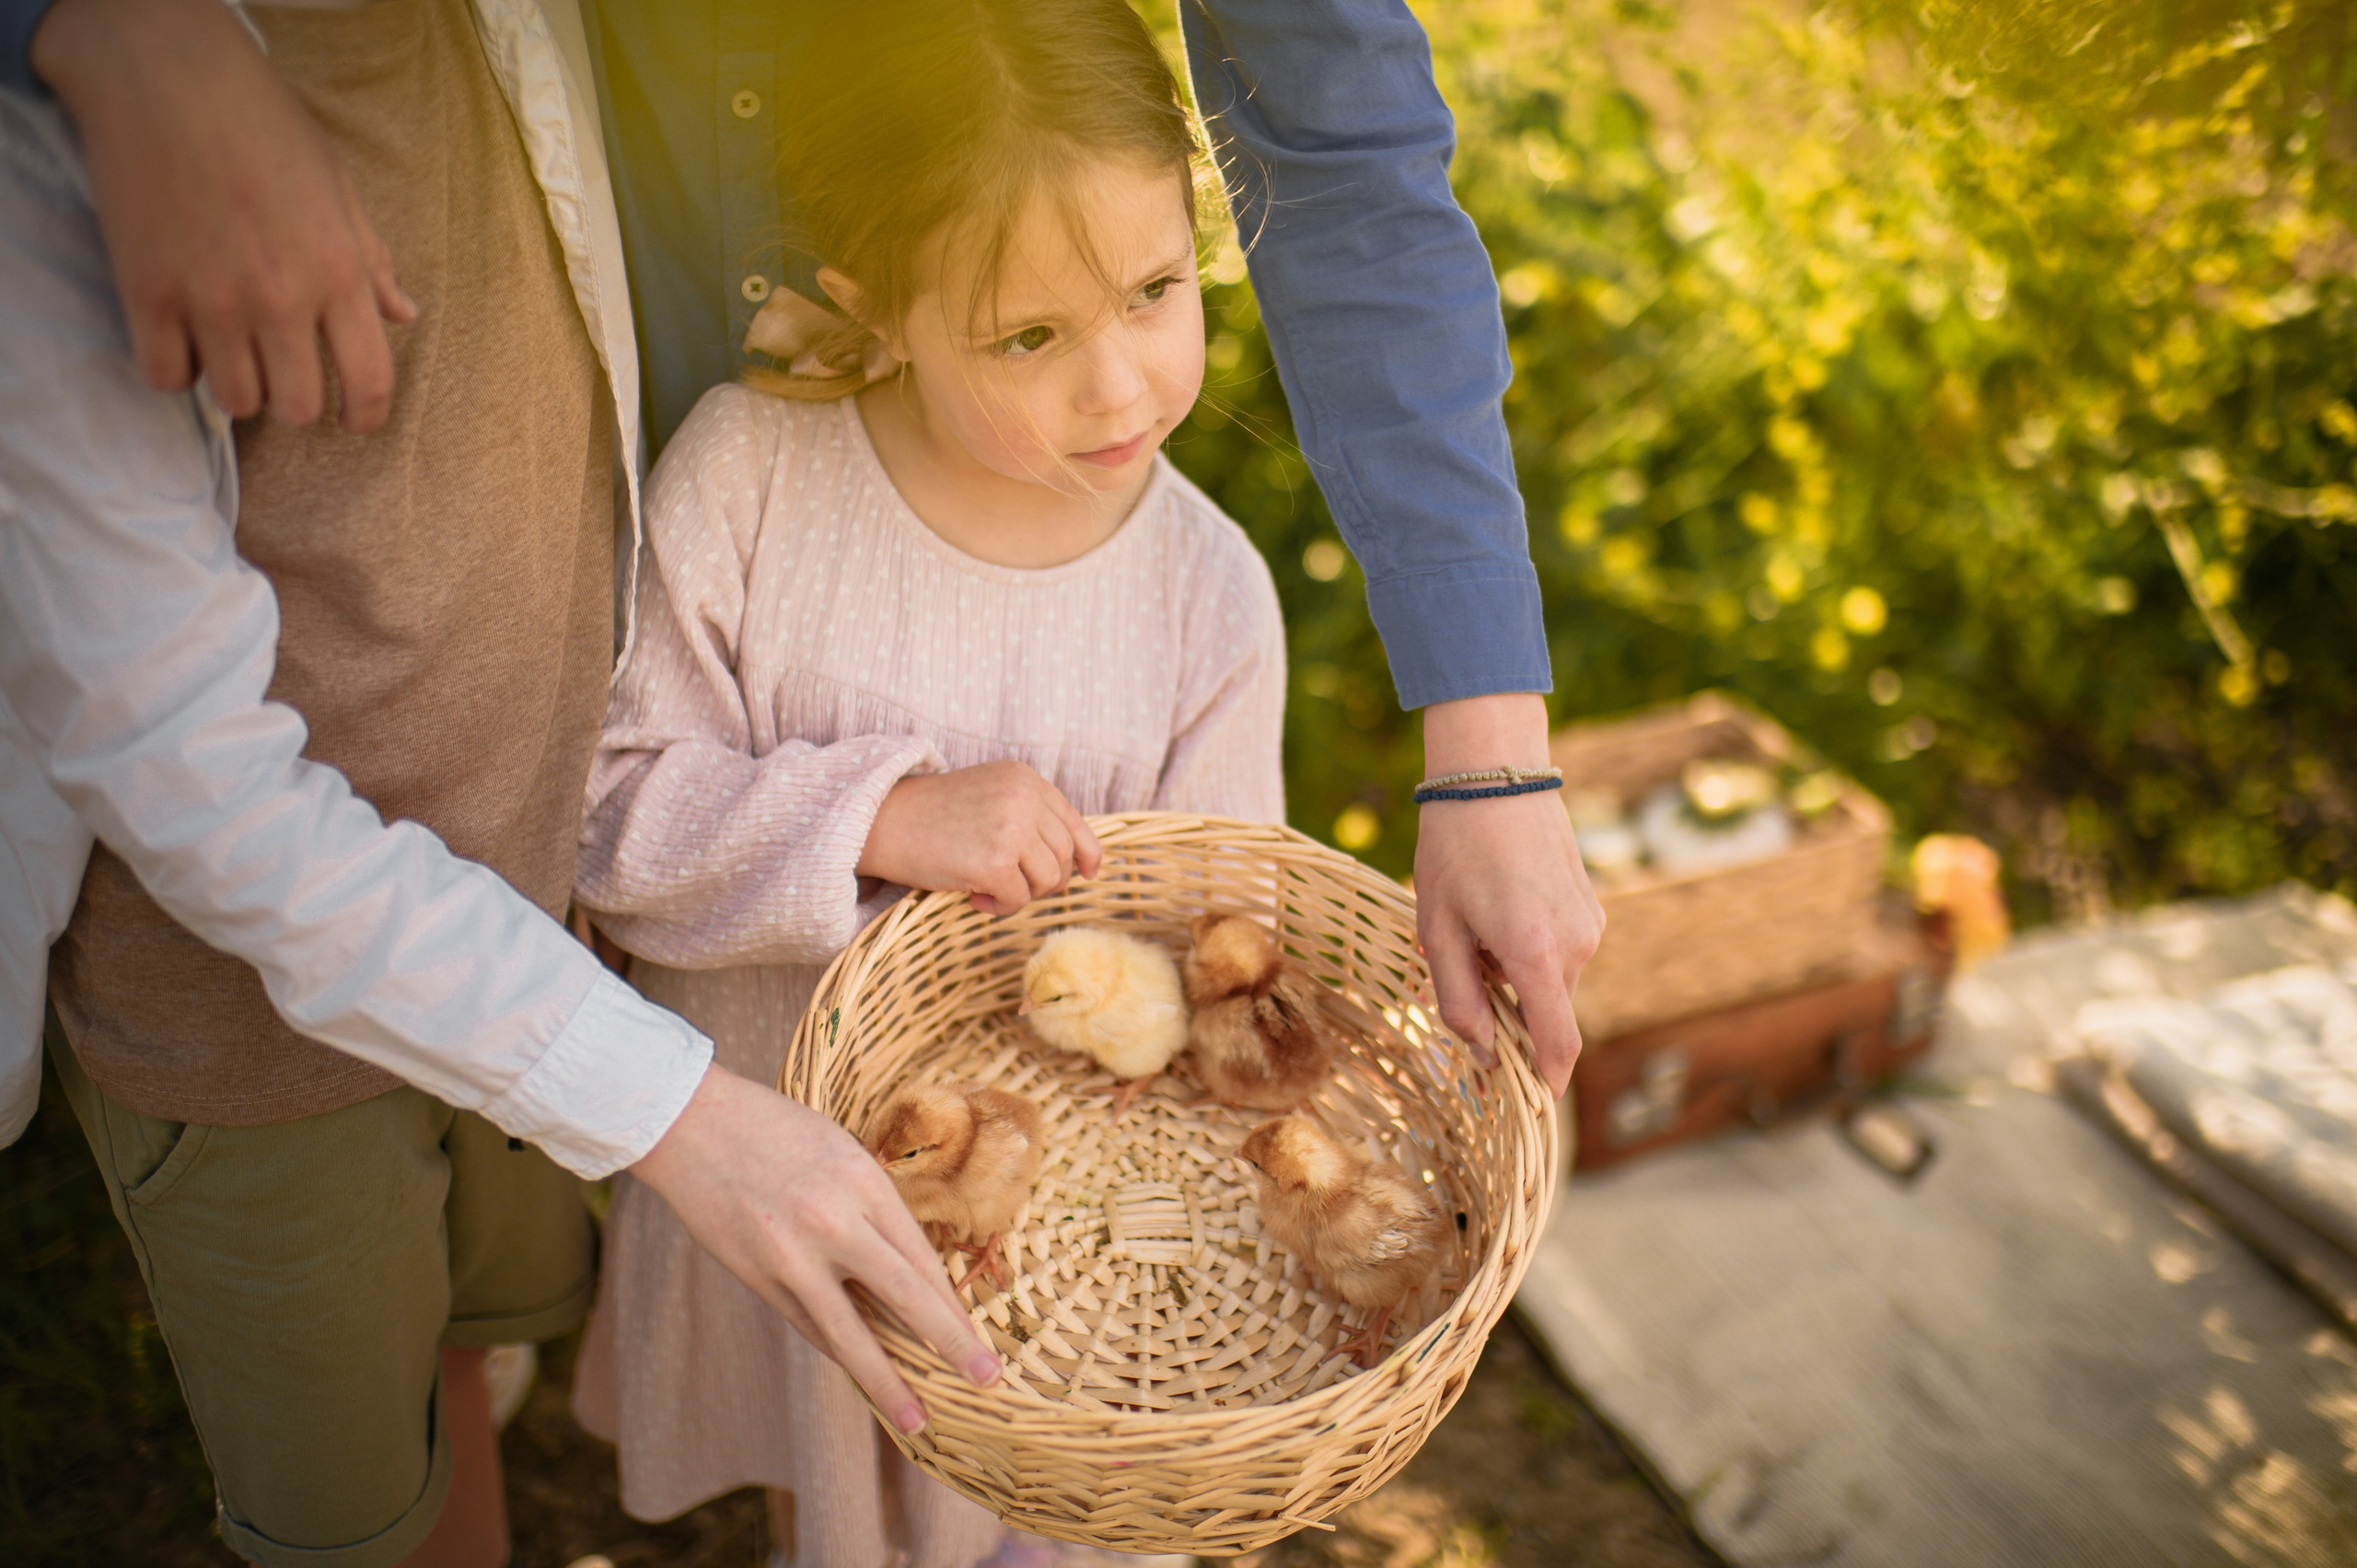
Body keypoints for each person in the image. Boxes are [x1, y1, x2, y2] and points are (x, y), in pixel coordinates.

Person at [0, 3, 994, 1565]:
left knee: (467, 1351)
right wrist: (679, 1115)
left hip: (525, 908)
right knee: (354, 1509)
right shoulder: (58, 162)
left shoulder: (511, 27)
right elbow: (200, 796)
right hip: (245, 1039)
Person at [564, 4, 1283, 1557]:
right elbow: (610, 815)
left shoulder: (1209, 599)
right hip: (787, 1192)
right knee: (835, 1494)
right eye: (1028, 336)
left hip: (1059, 1257)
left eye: (1156, 293)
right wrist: (882, 815)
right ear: (875, 306)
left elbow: (1229, 966)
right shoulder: (750, 479)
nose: (1119, 389)